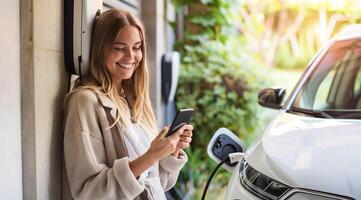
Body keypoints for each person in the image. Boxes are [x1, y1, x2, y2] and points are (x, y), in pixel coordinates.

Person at [63, 9, 193, 200]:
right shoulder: (85, 103)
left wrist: (171, 151)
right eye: (119, 48)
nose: (131, 56)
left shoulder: (134, 100)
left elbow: (157, 183)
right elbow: (89, 193)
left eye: (137, 47)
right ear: (101, 49)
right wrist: (150, 156)